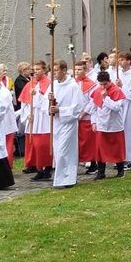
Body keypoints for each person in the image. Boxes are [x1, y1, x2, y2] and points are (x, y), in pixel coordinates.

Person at [48, 60, 83, 188]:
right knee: (58, 152)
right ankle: (62, 177)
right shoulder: (53, 86)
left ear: (64, 70)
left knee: (64, 151)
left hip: (68, 123)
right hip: (57, 123)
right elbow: (47, 105)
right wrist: (49, 102)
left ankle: (67, 178)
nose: (54, 73)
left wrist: (61, 110)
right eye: (53, 70)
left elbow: (78, 107)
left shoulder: (73, 86)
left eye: (56, 70)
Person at [20, 60, 54, 180]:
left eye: (38, 69)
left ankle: (48, 168)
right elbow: (24, 103)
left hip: (44, 118)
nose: (35, 72)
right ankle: (39, 169)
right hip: (33, 118)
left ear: (44, 70)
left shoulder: (49, 84)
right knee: (35, 146)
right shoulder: (30, 84)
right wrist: (26, 115)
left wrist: (37, 94)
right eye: (33, 70)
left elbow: (47, 103)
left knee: (44, 145)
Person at [90, 70, 126, 179]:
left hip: (114, 125)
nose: (103, 86)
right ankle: (101, 172)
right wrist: (94, 122)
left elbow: (117, 107)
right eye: (101, 84)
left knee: (117, 149)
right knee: (100, 149)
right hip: (101, 124)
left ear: (109, 81)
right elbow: (94, 109)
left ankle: (120, 170)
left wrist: (106, 98)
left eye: (105, 84)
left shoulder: (117, 91)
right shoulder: (97, 91)